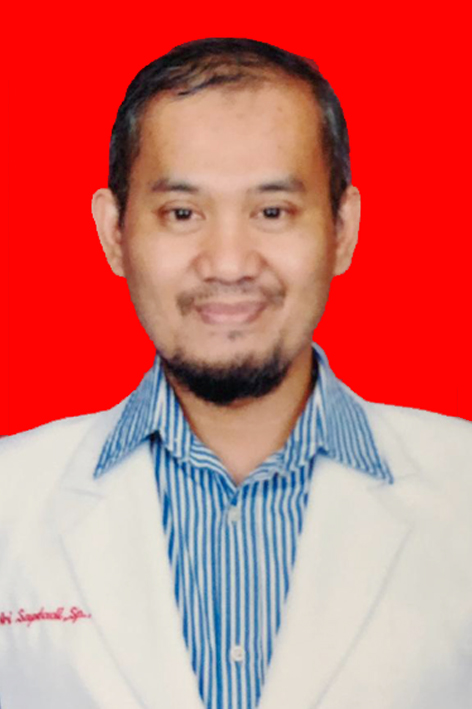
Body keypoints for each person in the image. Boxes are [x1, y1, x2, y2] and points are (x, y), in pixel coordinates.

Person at [0, 37, 471, 709]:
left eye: (272, 212)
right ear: (114, 232)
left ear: (342, 228)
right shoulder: (10, 501)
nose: (227, 262)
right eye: (182, 213)